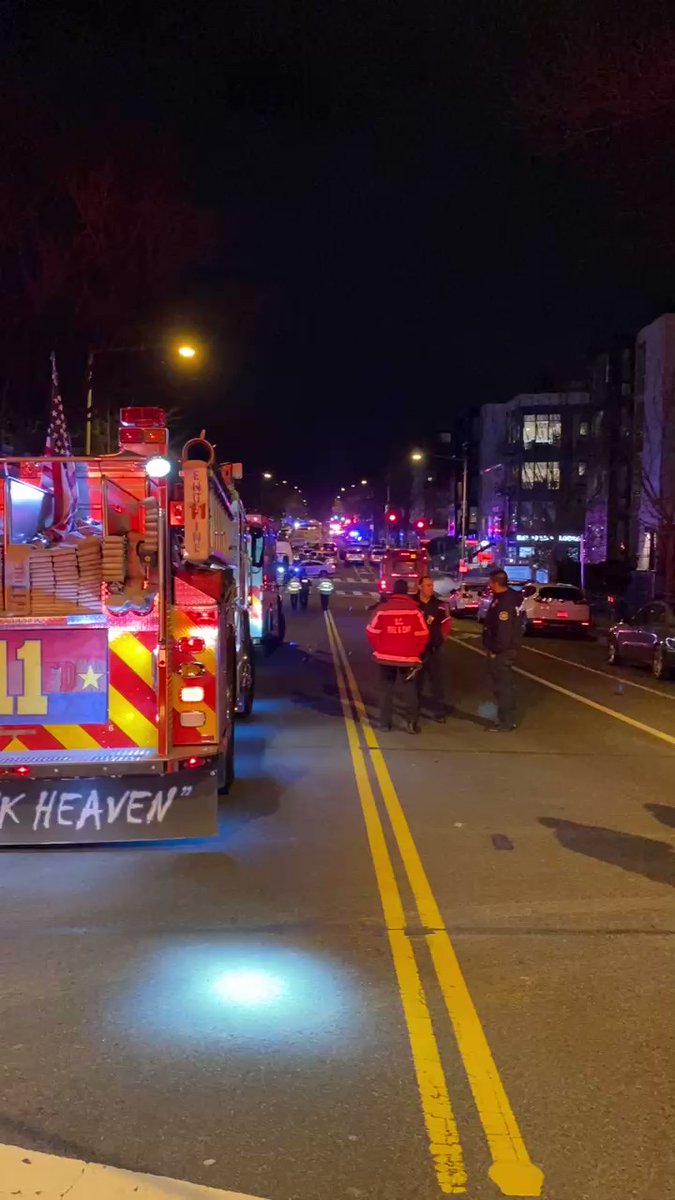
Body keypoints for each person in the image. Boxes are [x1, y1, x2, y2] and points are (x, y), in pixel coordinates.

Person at [366, 578, 429, 733]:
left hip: (386, 657)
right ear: (406, 591)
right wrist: (416, 652)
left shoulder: (382, 609)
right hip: (408, 659)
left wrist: (380, 648)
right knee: (409, 691)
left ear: (393, 591)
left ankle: (384, 724)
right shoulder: (415, 610)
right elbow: (424, 634)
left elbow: (371, 631)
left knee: (386, 690)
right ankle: (411, 723)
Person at [482, 568, 521, 731]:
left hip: (502, 651)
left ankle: (506, 722)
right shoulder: (506, 598)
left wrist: (495, 649)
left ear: (496, 583)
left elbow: (504, 631)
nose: (488, 585)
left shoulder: (505, 602)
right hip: (504, 649)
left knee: (503, 687)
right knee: (502, 686)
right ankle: (505, 719)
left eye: (490, 582)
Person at [413, 575, 452, 722]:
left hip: (433, 649)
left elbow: (447, 623)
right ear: (420, 587)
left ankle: (439, 712)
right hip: (416, 651)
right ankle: (414, 710)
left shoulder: (440, 605)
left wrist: (442, 638)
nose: (431, 588)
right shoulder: (413, 604)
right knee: (416, 682)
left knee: (437, 682)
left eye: (431, 585)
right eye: (428, 585)